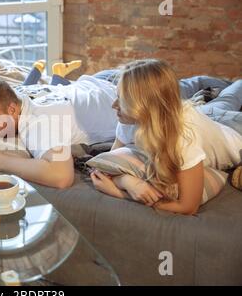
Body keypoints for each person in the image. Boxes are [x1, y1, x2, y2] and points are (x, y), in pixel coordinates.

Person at [90, 59, 242, 215]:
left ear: (144, 105)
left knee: (232, 95)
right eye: (118, 96)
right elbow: (105, 164)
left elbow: (188, 206)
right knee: (227, 99)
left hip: (234, 131)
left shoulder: (183, 137)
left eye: (122, 100)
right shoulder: (129, 119)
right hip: (203, 114)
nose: (114, 105)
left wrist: (120, 194)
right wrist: (129, 182)